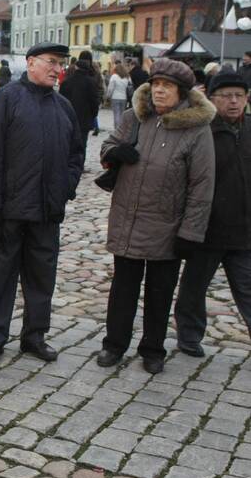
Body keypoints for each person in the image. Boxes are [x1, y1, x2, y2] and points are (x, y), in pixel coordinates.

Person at [97, 58, 215, 374]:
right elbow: (107, 148)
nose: (160, 91)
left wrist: (191, 232)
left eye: (168, 86)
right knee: (122, 288)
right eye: (157, 84)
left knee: (160, 292)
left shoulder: (196, 131)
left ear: (182, 92)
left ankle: (153, 349)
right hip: (128, 218)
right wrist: (114, 153)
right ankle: (114, 344)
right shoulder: (133, 118)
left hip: (167, 225)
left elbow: (202, 186)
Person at [0, 43, 84, 364]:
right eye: (51, 62)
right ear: (31, 62)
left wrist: (66, 187)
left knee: (41, 278)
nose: (56, 69)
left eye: (60, 64)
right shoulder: (5, 99)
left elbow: (76, 154)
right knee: (0, 276)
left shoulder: (63, 106)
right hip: (8, 211)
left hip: (47, 211)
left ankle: (34, 336)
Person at [174, 71, 251, 356]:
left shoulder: (249, 130)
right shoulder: (202, 131)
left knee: (247, 288)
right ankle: (189, 335)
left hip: (244, 231)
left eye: (239, 96)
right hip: (207, 229)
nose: (233, 102)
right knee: (194, 288)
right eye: (226, 96)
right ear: (212, 98)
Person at [59, 50, 100, 152]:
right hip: (84, 118)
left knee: (68, 142)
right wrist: (93, 115)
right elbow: (95, 101)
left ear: (76, 67)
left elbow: (60, 101)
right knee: (82, 143)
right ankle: (79, 165)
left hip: (68, 117)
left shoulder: (66, 82)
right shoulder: (92, 81)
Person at [106, 64, 130, 128]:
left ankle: (117, 129)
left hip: (115, 97)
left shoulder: (114, 76)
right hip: (124, 98)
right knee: (122, 115)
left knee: (116, 114)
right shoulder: (126, 77)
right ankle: (122, 128)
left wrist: (108, 96)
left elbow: (110, 88)